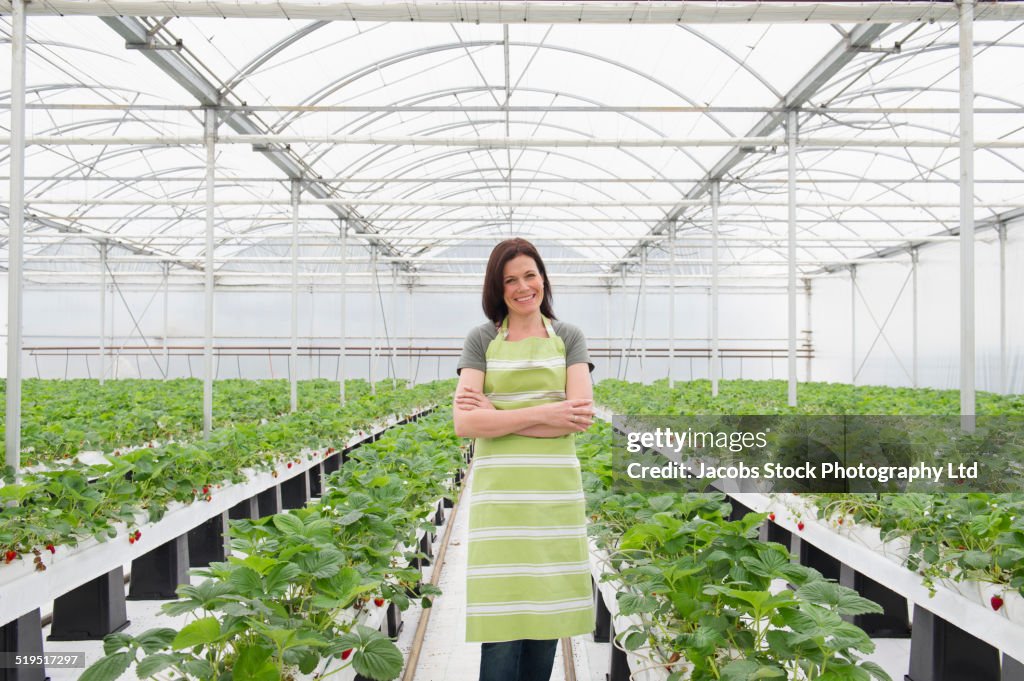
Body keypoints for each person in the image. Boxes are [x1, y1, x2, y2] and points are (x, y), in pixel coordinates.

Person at [453, 238, 596, 681]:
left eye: (529, 275)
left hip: (553, 496)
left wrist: (500, 415)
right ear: (498, 288)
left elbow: (579, 416)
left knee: (545, 614)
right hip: (502, 499)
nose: (522, 287)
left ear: (543, 278)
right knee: (502, 622)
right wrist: (546, 412)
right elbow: (465, 423)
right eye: (510, 279)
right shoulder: (481, 339)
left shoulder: (568, 337)